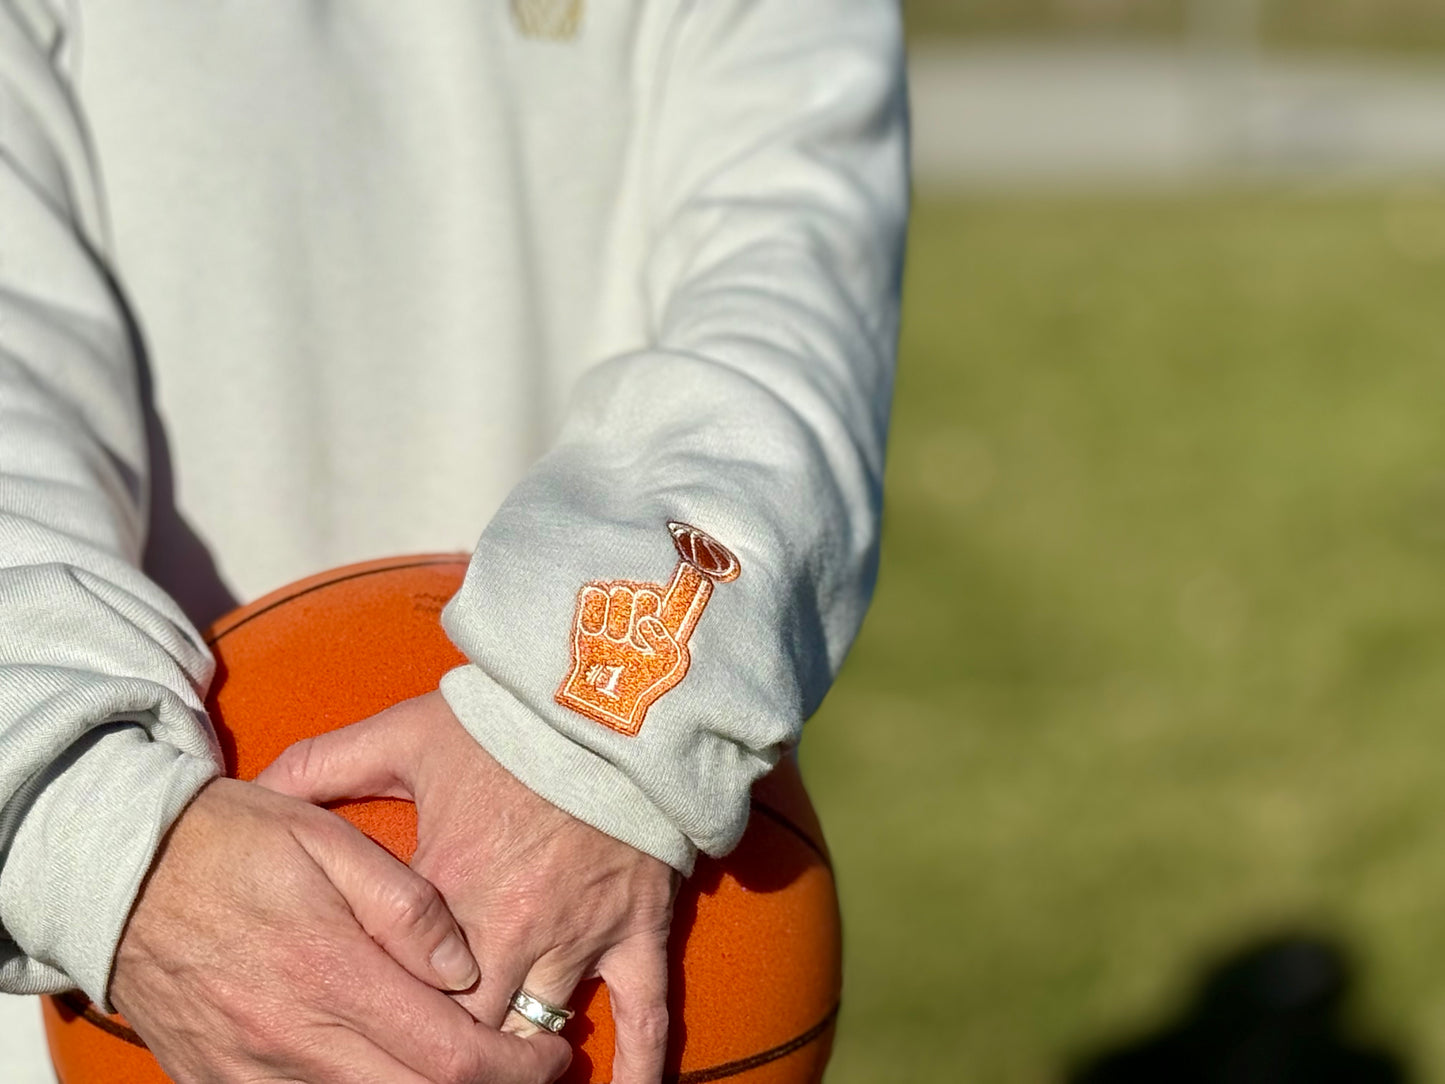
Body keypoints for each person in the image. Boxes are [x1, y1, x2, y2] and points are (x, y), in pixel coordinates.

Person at [0, 1, 908, 1081]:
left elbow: (785, 276)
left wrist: (578, 733)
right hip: (136, 945)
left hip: (619, 867)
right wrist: (102, 840)